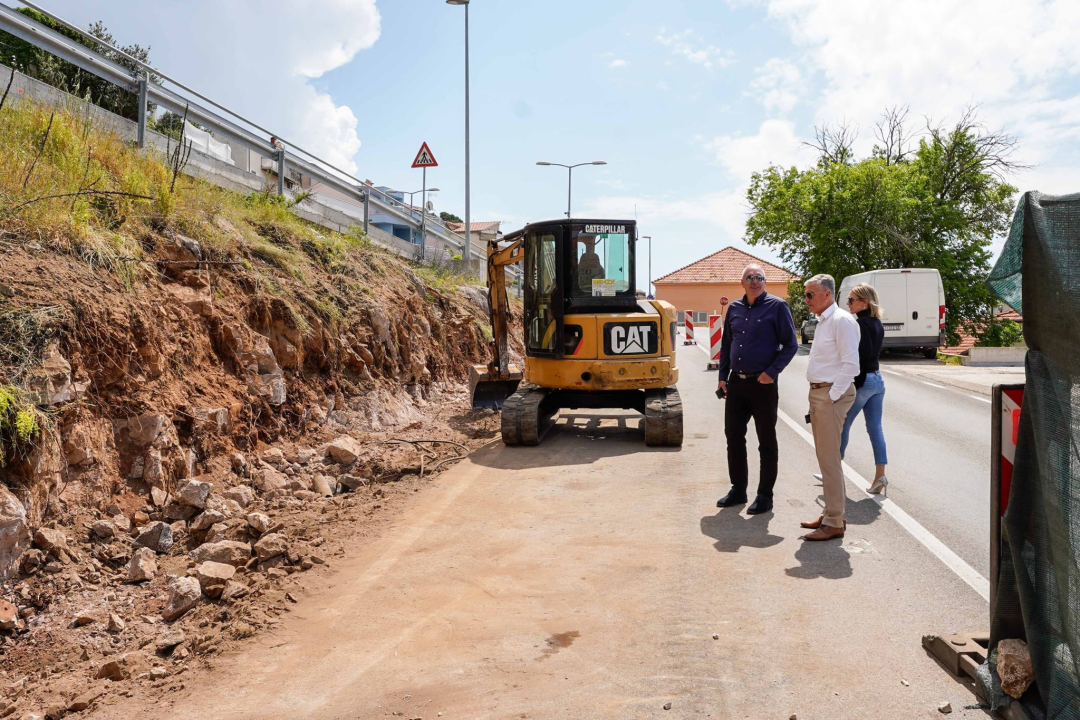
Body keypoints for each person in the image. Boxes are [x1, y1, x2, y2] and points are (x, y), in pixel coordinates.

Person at [715, 264, 799, 514]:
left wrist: (771, 373)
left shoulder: (777, 306)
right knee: (734, 437)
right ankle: (738, 489)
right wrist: (722, 376)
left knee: (766, 441)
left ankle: (765, 495)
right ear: (742, 282)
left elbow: (791, 345)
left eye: (760, 278)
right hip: (737, 383)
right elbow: (728, 343)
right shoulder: (735, 308)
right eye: (750, 278)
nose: (755, 281)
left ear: (765, 282)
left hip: (763, 385)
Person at [800, 273, 860, 541]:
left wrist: (832, 396)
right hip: (821, 394)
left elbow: (851, 366)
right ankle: (830, 514)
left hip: (830, 395)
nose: (805, 300)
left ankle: (835, 521)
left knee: (829, 459)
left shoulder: (841, 321)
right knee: (826, 458)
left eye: (809, 294)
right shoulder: (825, 320)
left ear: (827, 294)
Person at [841, 283, 888, 494]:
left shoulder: (860, 323)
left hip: (864, 381)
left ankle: (831, 473)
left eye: (852, 300)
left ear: (864, 302)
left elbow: (862, 355)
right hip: (878, 380)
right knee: (875, 429)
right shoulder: (877, 322)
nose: (848, 303)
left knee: (842, 424)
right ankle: (880, 476)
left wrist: (852, 382)